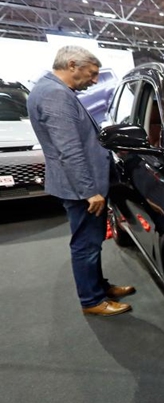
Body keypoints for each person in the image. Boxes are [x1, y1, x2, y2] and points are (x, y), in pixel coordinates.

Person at [27, 45, 135, 315]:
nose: (96, 80)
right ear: (73, 65)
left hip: (77, 184)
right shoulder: (55, 94)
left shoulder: (50, 89)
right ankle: (92, 301)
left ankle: (98, 286)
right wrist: (90, 191)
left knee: (91, 241)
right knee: (86, 244)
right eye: (93, 72)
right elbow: (69, 149)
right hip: (81, 189)